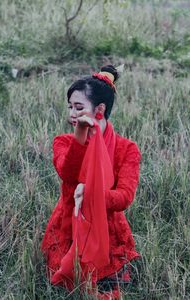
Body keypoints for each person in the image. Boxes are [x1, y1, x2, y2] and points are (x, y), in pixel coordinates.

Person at [41, 65, 141, 299]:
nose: (72, 113)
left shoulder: (127, 149)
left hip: (107, 230)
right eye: (70, 107)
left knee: (110, 280)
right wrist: (81, 136)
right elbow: (67, 174)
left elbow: (125, 197)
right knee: (67, 278)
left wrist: (93, 195)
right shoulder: (63, 142)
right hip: (70, 225)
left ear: (100, 109)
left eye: (78, 107)